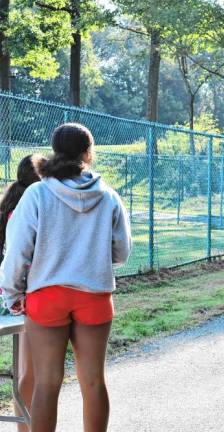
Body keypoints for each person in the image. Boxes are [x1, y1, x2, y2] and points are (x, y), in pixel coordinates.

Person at [0, 123, 132, 432]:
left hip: (47, 296)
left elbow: (17, 252)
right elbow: (122, 253)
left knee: (47, 383)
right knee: (94, 382)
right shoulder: (109, 197)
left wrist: (12, 293)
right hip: (94, 295)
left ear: (55, 151)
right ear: (89, 152)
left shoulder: (37, 193)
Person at [0, 154, 46, 432]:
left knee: (27, 371)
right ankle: (24, 429)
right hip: (23, 297)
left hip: (9, 294)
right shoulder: (33, 208)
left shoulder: (9, 207)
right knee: (31, 372)